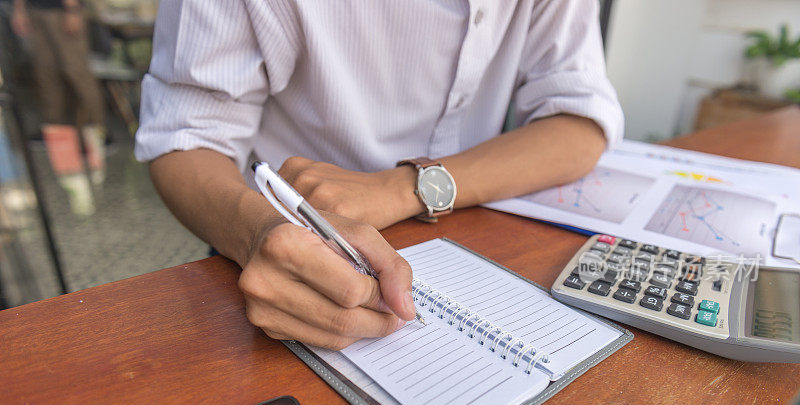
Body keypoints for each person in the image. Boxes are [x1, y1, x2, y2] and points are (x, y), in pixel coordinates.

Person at [135, 1, 624, 350]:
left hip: (468, 233)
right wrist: (256, 232)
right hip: (288, 247)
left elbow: (580, 123)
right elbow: (184, 136)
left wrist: (404, 188)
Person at [11, 0, 106, 191]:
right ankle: (63, 152)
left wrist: (72, 8)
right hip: (36, 10)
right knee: (48, 82)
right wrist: (20, 9)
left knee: (77, 76)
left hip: (62, 11)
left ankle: (96, 140)